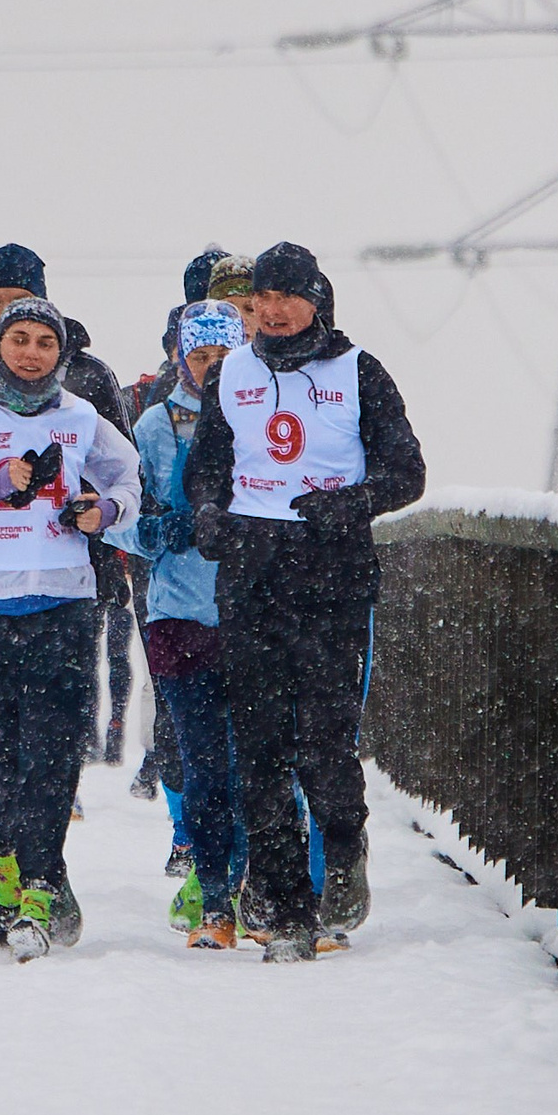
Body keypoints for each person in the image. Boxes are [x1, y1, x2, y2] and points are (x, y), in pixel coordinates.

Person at [187, 242, 426, 963]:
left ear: (317, 300)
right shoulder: (231, 374)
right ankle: (287, 906)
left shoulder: (359, 373)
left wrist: (351, 504)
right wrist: (207, 514)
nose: (273, 310)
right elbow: (207, 468)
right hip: (253, 571)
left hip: (331, 571)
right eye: (261, 299)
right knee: (258, 748)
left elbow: (407, 472)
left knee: (324, 740)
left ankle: (346, 845)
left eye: (289, 297)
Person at [0, 295, 141, 961]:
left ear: (61, 354)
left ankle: (39, 887)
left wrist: (102, 511)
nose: (31, 351)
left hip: (61, 606)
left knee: (54, 754)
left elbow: (131, 486)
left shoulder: (81, 418)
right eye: (20, 339)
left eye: (45, 341)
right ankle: (6, 879)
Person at [108, 300, 250, 948]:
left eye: (224, 356)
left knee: (254, 760)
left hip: (251, 611)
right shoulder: (156, 427)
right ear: (180, 358)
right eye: (201, 356)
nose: (213, 368)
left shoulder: (260, 417)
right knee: (202, 762)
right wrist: (173, 527)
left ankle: (251, 884)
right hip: (178, 615)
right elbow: (128, 522)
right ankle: (215, 894)